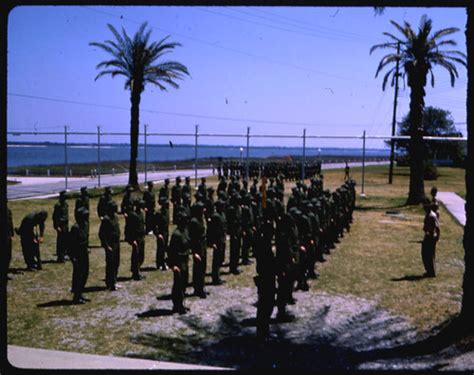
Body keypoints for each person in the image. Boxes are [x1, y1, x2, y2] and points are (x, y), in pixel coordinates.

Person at [168, 212, 191, 314]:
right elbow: (171, 251)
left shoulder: (185, 231)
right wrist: (173, 265)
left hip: (185, 260)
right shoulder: (176, 234)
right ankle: (177, 305)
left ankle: (181, 304)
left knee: (184, 282)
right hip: (178, 262)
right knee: (178, 284)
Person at [99, 201, 121, 291]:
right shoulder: (106, 219)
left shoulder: (115, 217)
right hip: (110, 244)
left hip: (116, 243)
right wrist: (106, 245)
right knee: (110, 264)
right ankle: (110, 282)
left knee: (116, 263)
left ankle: (114, 281)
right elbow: (102, 234)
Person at [69, 207, 90, 304]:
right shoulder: (75, 228)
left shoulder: (85, 225)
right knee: (78, 275)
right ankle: (76, 296)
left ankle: (81, 293)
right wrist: (73, 257)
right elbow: (70, 244)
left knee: (85, 273)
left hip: (84, 252)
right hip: (77, 254)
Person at [189, 201, 208, 298]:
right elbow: (192, 238)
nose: (204, 210)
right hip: (197, 247)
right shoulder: (194, 222)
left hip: (203, 245)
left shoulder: (201, 219)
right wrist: (194, 252)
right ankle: (198, 288)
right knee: (198, 268)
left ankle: (201, 286)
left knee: (203, 267)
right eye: (202, 209)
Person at [125, 199, 146, 281]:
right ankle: (135, 273)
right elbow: (129, 229)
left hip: (141, 237)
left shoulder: (142, 213)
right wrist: (132, 240)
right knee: (136, 256)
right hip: (136, 238)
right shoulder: (132, 215)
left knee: (141, 255)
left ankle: (138, 270)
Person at [208, 200, 227, 285]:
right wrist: (212, 242)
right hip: (217, 240)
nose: (223, 207)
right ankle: (215, 278)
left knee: (220, 258)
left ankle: (218, 276)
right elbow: (211, 231)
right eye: (222, 206)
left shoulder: (222, 214)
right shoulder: (215, 216)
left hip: (222, 239)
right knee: (216, 260)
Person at [422, 200, 440, 278]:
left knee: (429, 254)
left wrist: (437, 237)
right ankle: (429, 270)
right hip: (428, 235)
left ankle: (431, 272)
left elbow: (437, 227)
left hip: (431, 237)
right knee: (425, 254)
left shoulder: (432, 216)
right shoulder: (428, 214)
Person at [53, 190, 69, 263]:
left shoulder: (66, 204)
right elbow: (55, 217)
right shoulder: (58, 205)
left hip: (65, 224)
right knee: (60, 241)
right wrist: (57, 226)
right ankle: (60, 256)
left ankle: (64, 254)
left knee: (66, 240)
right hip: (60, 224)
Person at [154, 197, 170, 271]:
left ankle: (164, 262)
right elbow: (154, 225)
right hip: (161, 232)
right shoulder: (158, 213)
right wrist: (158, 234)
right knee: (160, 248)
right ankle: (159, 263)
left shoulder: (167, 211)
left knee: (165, 248)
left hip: (166, 232)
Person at [7, 207, 14, 280]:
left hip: (7, 236)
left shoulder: (8, 210)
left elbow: (10, 223)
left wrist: (12, 234)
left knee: (8, 256)